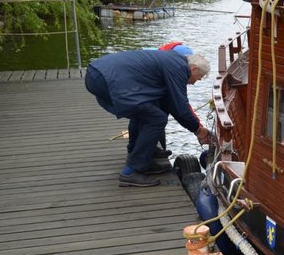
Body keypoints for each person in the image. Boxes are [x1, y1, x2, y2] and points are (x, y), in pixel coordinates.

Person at [85, 49, 211, 187]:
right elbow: (180, 106)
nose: (193, 83)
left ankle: (139, 157)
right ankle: (131, 172)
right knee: (156, 119)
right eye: (197, 79)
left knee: (145, 111)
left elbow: (169, 101)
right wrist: (198, 130)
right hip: (108, 79)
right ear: (193, 69)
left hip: (97, 72)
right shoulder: (179, 69)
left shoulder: (174, 61)